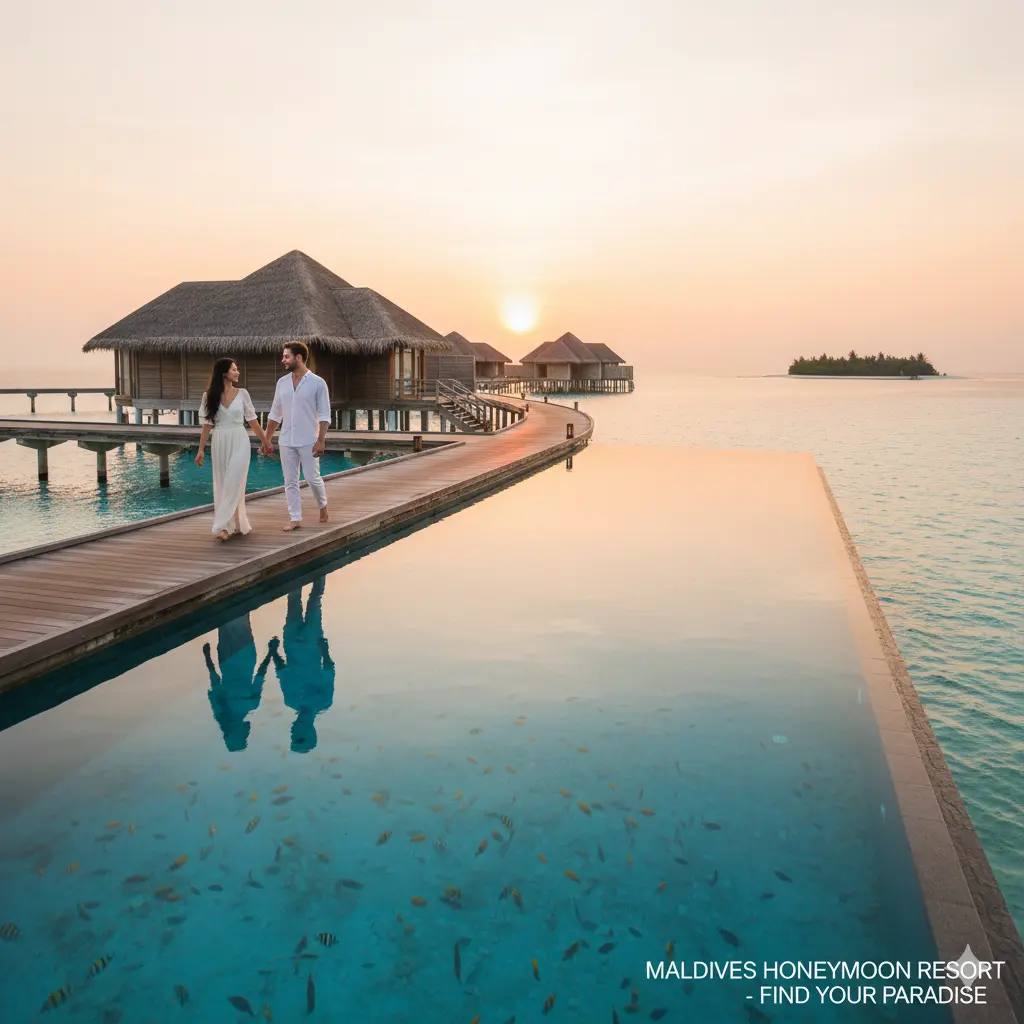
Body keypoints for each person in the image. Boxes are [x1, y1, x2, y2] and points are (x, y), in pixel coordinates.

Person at [195, 357, 268, 541]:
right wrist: (201, 449)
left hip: (239, 439)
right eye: (234, 369)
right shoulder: (208, 396)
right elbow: (206, 425)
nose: (237, 372)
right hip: (219, 440)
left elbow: (253, 421)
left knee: (235, 480)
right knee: (222, 482)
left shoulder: (243, 393)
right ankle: (229, 525)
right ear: (224, 372)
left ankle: (223, 523)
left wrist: (265, 441)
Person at [261, 342, 330, 531]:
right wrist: (267, 439)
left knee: (312, 477)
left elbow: (324, 414)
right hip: (286, 440)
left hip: (309, 439)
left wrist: (321, 440)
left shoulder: (317, 383)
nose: (283, 360)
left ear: (298, 357)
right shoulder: (282, 383)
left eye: (286, 356)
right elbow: (275, 414)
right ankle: (295, 518)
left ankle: (323, 507)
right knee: (290, 480)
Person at [264, 577, 335, 753]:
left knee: (293, 599)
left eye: (293, 733)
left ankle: (300, 571)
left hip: (291, 644)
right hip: (312, 644)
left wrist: (274, 651)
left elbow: (282, 672)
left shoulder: (291, 700)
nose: (294, 729)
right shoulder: (323, 701)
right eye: (298, 734)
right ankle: (321, 567)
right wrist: (325, 650)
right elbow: (329, 673)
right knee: (315, 600)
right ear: (311, 731)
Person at [203, 614, 273, 752]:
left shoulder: (223, 710)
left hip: (232, 657)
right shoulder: (247, 704)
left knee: (229, 622)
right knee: (235, 622)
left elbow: (215, 681)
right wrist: (271, 651)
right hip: (237, 656)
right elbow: (260, 676)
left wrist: (207, 657)